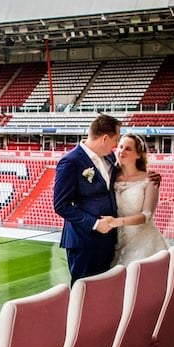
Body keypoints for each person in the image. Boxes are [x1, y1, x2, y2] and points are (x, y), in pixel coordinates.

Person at [53, 114, 121, 284]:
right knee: (83, 294)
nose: (116, 145)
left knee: (105, 291)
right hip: (84, 242)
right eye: (116, 140)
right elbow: (61, 205)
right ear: (105, 138)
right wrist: (95, 224)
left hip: (109, 239)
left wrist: (145, 176)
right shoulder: (71, 162)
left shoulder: (110, 157)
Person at [107, 133, 169, 266]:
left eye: (128, 149)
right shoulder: (109, 176)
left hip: (142, 241)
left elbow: (146, 215)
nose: (122, 151)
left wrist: (117, 222)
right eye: (120, 147)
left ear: (139, 155)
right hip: (115, 240)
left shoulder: (150, 179)